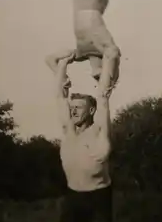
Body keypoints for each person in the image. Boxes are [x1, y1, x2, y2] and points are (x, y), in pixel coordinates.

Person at [51, 53, 114, 222]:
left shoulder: (99, 130)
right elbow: (59, 96)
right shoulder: (69, 131)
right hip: (72, 197)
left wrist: (106, 60)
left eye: (79, 107)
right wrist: (64, 62)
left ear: (91, 111)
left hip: (98, 198)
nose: (74, 111)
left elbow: (102, 96)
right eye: (72, 108)